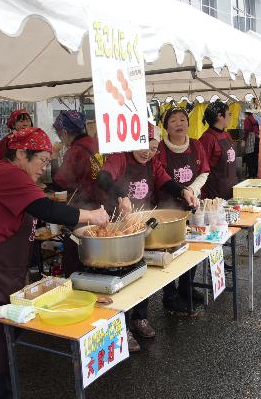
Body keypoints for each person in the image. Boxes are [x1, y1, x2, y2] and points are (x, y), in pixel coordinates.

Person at [0, 127, 109, 399]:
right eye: (42, 160)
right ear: (20, 154)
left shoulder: (13, 177)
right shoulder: (8, 174)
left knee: (0, 350)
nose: (45, 167)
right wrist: (92, 216)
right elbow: (46, 209)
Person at [97, 125, 199, 352]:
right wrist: (121, 195)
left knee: (143, 272)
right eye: (143, 147)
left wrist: (183, 191)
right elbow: (103, 178)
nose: (148, 153)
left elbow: (164, 180)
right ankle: (121, 327)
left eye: (153, 148)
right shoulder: (119, 157)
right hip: (119, 226)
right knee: (123, 276)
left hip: (143, 223)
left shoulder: (152, 162)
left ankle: (139, 318)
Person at [156, 107, 210, 313]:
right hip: (167, 208)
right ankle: (169, 294)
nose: (179, 124)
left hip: (192, 204)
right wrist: (182, 191)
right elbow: (159, 178)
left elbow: (204, 172)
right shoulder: (159, 149)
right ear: (165, 126)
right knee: (169, 250)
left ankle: (187, 286)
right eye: (173, 121)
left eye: (182, 120)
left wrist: (191, 190)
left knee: (191, 248)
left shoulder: (196, 145)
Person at [50, 110, 104, 277]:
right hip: (103, 208)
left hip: (84, 210)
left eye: (60, 135)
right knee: (100, 256)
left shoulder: (75, 151)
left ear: (64, 133)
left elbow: (59, 183)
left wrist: (53, 157)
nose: (61, 139)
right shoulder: (96, 143)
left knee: (77, 257)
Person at [199, 100, 238, 200]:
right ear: (220, 116)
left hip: (231, 188)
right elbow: (202, 169)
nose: (230, 117)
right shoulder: (207, 138)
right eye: (229, 114)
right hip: (215, 195)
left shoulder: (226, 134)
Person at [243, 109, 260, 178]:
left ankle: (250, 174)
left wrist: (244, 140)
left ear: (246, 114)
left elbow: (246, 130)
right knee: (255, 158)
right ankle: (255, 174)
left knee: (249, 157)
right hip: (256, 139)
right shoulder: (255, 120)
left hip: (250, 138)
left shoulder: (247, 120)